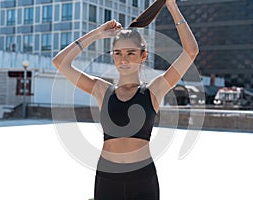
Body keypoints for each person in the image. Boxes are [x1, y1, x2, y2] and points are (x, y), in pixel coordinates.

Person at [52, 0, 198, 199]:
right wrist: (97, 34)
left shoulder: (154, 90)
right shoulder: (102, 90)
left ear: (143, 55)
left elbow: (191, 52)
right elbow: (60, 62)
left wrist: (171, 6)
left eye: (131, 53)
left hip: (142, 179)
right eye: (118, 53)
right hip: (107, 177)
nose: (124, 59)